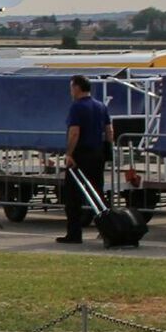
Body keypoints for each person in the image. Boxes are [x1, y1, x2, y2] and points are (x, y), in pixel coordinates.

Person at [58, 74, 115, 245]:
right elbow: (110, 131)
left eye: (71, 88)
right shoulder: (101, 106)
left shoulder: (77, 107)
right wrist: (107, 150)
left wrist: (69, 153)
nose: (71, 92)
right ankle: (108, 230)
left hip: (80, 155)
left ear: (76, 87)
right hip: (97, 154)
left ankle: (74, 234)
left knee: (73, 198)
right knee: (98, 194)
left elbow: (75, 132)